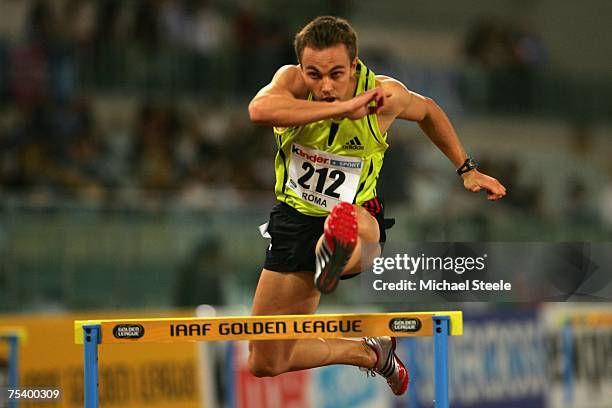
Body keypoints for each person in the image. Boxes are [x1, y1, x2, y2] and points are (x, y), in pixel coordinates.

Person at [247, 16, 506, 395]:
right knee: (266, 361)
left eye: (336, 73)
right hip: (293, 222)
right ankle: (371, 354)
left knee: (347, 221)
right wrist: (340, 108)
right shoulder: (290, 81)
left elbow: (430, 110)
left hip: (358, 219)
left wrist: (466, 169)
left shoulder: (385, 94)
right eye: (314, 74)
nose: (326, 85)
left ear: (354, 65)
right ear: (302, 67)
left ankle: (332, 254)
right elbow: (259, 110)